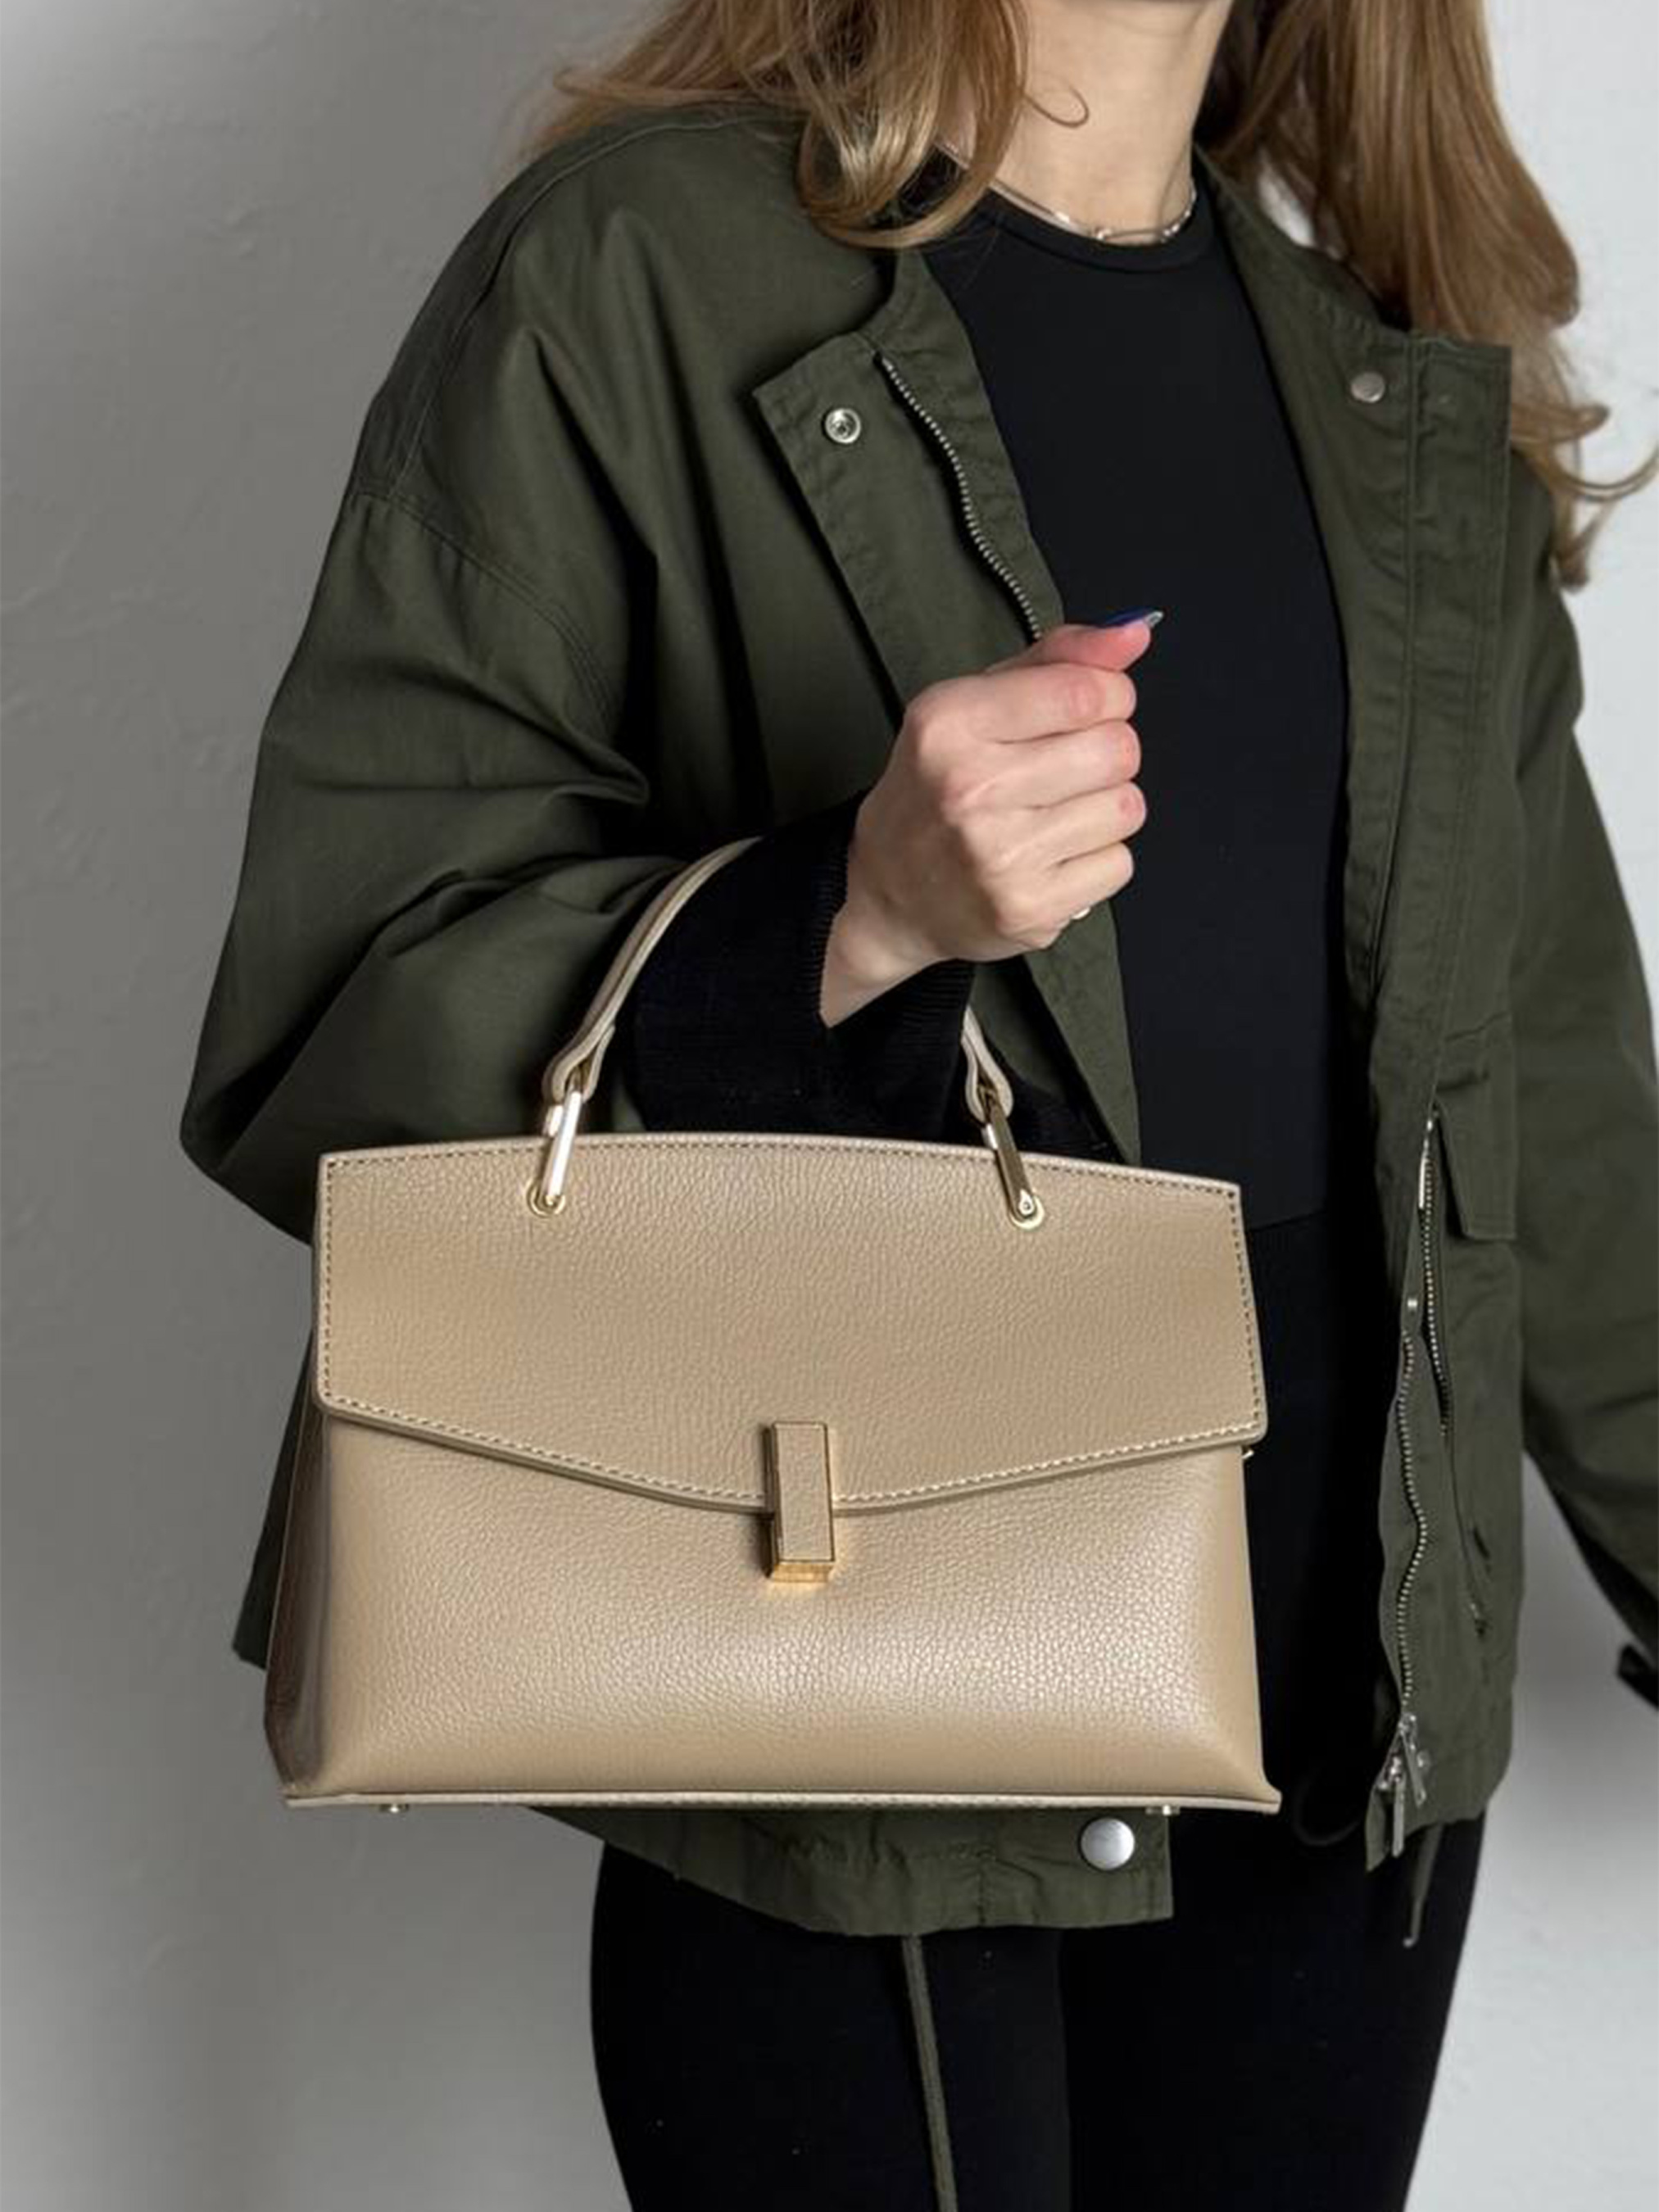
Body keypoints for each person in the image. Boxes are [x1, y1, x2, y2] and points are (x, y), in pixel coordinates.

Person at [175, 2, 1659, 2205]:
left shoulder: (1386, 380)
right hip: (845, 1678)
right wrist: (841, 918)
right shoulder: (632, 276)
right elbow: (327, 1007)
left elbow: (1557, 1112)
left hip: (1352, 1716)